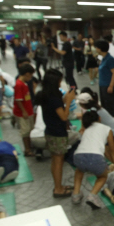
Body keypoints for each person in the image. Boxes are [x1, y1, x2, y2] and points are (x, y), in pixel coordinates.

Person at [71, 109, 114, 208]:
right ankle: (92, 195)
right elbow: (112, 150)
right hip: (95, 158)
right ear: (99, 118)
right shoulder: (107, 129)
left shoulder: (87, 129)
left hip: (78, 156)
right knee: (102, 177)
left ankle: (76, 194)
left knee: (79, 171)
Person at [40, 69, 76, 198]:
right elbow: (64, 117)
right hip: (57, 133)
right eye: (60, 80)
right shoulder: (53, 98)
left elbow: (56, 109)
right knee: (58, 161)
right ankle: (58, 189)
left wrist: (65, 99)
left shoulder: (46, 94)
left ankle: (58, 185)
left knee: (55, 160)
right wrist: (70, 101)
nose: (61, 82)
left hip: (50, 131)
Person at [31, 91, 80, 161]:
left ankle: (39, 150)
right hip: (51, 139)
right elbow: (64, 120)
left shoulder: (38, 107)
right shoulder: (56, 107)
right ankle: (66, 151)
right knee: (76, 135)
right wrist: (68, 102)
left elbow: (35, 122)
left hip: (35, 138)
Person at [94, 40, 114, 122]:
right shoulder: (104, 58)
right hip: (103, 86)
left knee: (112, 107)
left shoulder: (110, 59)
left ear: (100, 49)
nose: (95, 49)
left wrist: (111, 86)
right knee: (105, 106)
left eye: (96, 47)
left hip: (108, 86)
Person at [13, 63, 35, 157]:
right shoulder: (19, 85)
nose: (30, 78)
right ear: (26, 74)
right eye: (30, 75)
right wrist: (24, 111)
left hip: (28, 110)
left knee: (30, 129)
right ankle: (27, 150)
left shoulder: (24, 83)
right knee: (25, 131)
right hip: (23, 113)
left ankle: (30, 146)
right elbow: (18, 100)